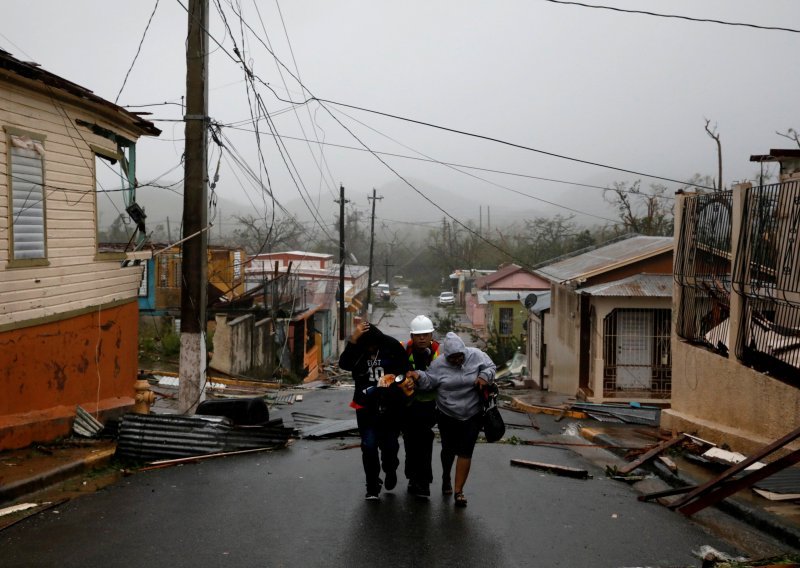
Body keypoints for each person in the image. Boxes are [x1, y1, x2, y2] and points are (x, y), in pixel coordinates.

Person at [406, 332, 496, 507]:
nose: (457, 361)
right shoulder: (438, 364)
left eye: (459, 357)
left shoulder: (476, 355)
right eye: (452, 358)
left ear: (464, 352)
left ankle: (459, 491)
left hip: (473, 412)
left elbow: (490, 367)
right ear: (446, 356)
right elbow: (428, 382)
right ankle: (446, 475)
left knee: (466, 450)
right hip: (447, 413)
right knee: (448, 449)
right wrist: (417, 375)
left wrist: (484, 376)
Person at [339, 320, 410, 500]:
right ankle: (372, 485)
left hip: (391, 404)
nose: (370, 349)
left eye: (372, 346)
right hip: (365, 405)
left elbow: (405, 370)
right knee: (368, 445)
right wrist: (353, 341)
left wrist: (394, 380)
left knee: (390, 445)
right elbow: (345, 364)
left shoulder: (391, 346)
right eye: (366, 345)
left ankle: (390, 468)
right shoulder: (358, 348)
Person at [401, 315, 441, 498]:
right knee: (410, 442)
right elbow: (394, 373)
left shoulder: (438, 352)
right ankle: (412, 477)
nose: (422, 338)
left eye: (426, 334)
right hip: (408, 406)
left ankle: (424, 482)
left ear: (431, 334)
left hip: (429, 406)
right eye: (418, 335)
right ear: (412, 336)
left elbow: (441, 378)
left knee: (424, 442)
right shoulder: (404, 350)